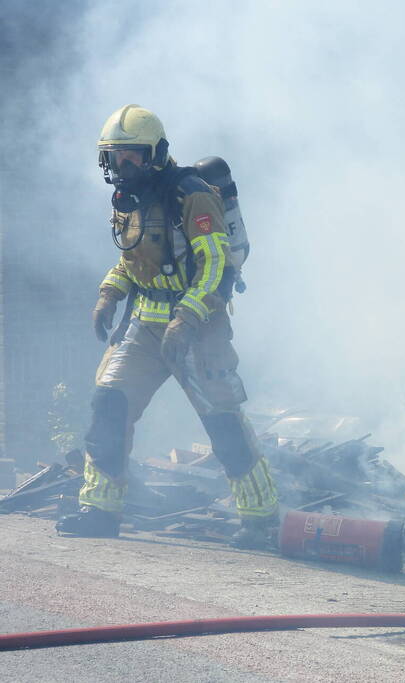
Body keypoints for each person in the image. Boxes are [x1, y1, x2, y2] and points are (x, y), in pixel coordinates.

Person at [56, 104, 279, 548]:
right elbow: (132, 258)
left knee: (222, 421)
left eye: (132, 155)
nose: (123, 166)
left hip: (197, 327)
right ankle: (99, 509)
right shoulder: (128, 199)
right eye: (114, 157)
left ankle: (260, 517)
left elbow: (216, 264)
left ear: (155, 153)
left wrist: (188, 317)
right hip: (145, 324)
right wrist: (109, 293)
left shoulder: (192, 195)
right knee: (109, 405)